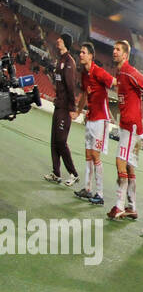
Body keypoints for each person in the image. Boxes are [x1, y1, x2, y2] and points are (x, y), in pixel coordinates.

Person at [107, 41, 143, 222]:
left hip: (131, 126)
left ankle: (118, 205)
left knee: (120, 162)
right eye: (114, 49)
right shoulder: (120, 72)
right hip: (133, 127)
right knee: (130, 166)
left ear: (125, 55)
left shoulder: (128, 71)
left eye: (118, 49)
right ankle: (132, 207)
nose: (114, 51)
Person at [74, 42, 114, 207]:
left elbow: (114, 82)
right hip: (90, 118)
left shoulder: (99, 72)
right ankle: (87, 188)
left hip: (100, 120)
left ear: (91, 55)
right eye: (80, 52)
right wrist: (78, 111)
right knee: (88, 155)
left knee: (95, 156)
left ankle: (100, 194)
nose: (81, 55)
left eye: (83, 52)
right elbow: (84, 94)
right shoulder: (84, 74)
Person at [45, 32, 80, 187]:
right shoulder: (60, 59)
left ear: (65, 42)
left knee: (60, 140)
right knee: (54, 141)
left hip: (65, 108)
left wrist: (73, 107)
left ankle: (74, 173)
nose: (57, 40)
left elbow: (71, 86)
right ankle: (56, 173)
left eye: (60, 39)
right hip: (59, 105)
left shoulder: (69, 62)